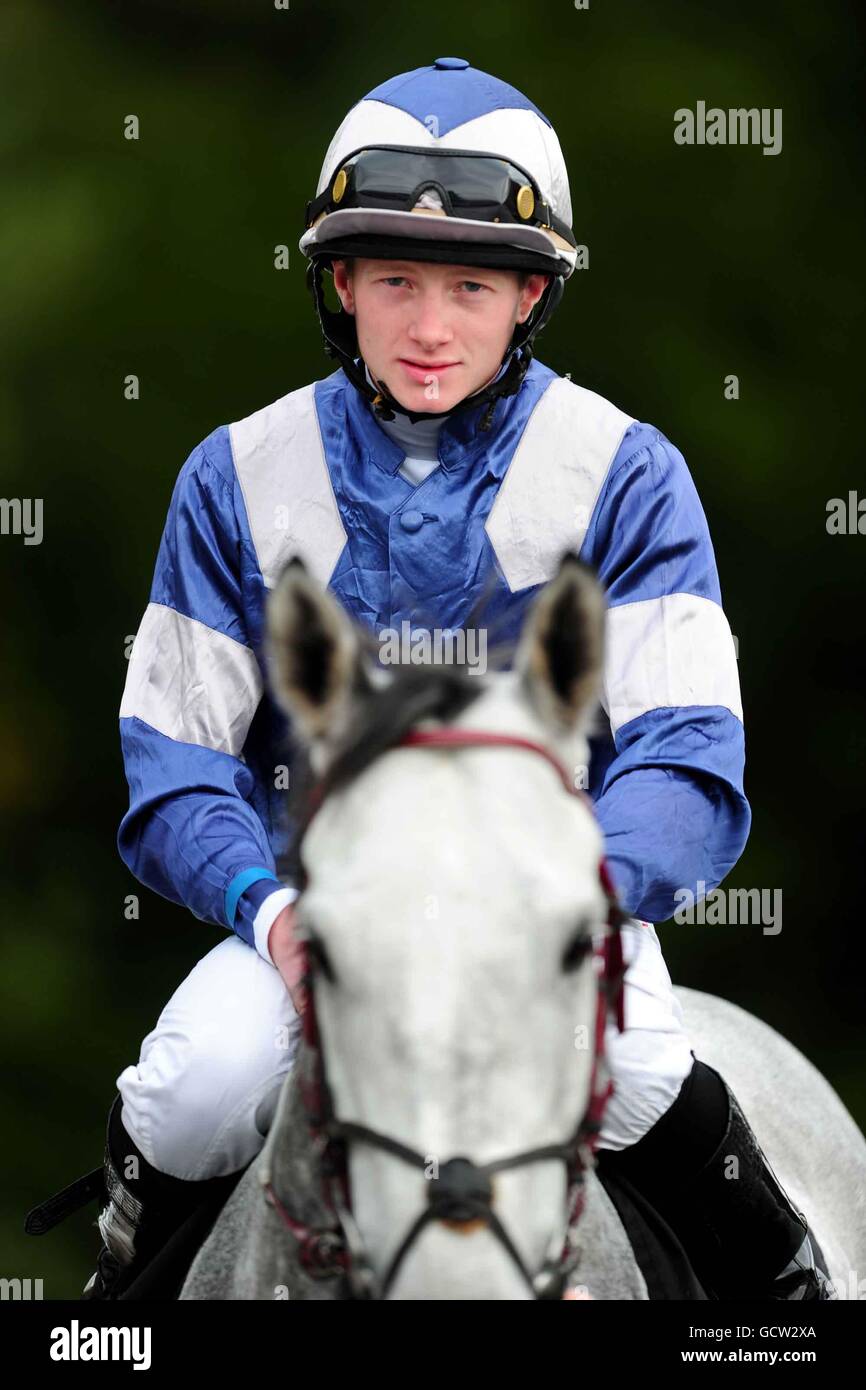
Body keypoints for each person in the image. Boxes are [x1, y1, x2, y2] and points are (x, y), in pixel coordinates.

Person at [26, 57, 833, 1300]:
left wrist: (564, 909)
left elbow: (685, 760)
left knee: (646, 1068)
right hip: (315, 913)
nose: (429, 325)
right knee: (190, 1089)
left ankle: (787, 1297)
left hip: (555, 915)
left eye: (471, 284)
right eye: (395, 280)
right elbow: (175, 761)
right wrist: (270, 909)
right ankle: (113, 1310)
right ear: (339, 283)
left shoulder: (628, 474)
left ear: (530, 297)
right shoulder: (234, 474)